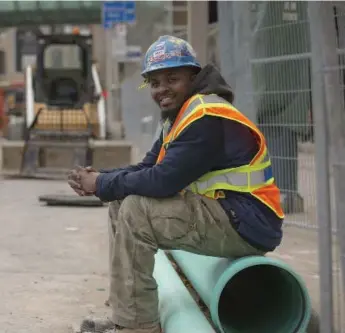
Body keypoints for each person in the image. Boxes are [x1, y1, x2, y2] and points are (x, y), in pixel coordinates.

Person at [68, 35, 284, 333]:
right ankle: (126, 313)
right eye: (155, 83)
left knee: (136, 210)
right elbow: (147, 167)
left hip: (247, 223)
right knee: (122, 201)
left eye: (172, 78)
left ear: (193, 77)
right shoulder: (180, 115)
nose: (162, 89)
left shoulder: (205, 115)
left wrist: (101, 182)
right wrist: (101, 178)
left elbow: (162, 181)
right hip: (228, 213)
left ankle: (137, 327)